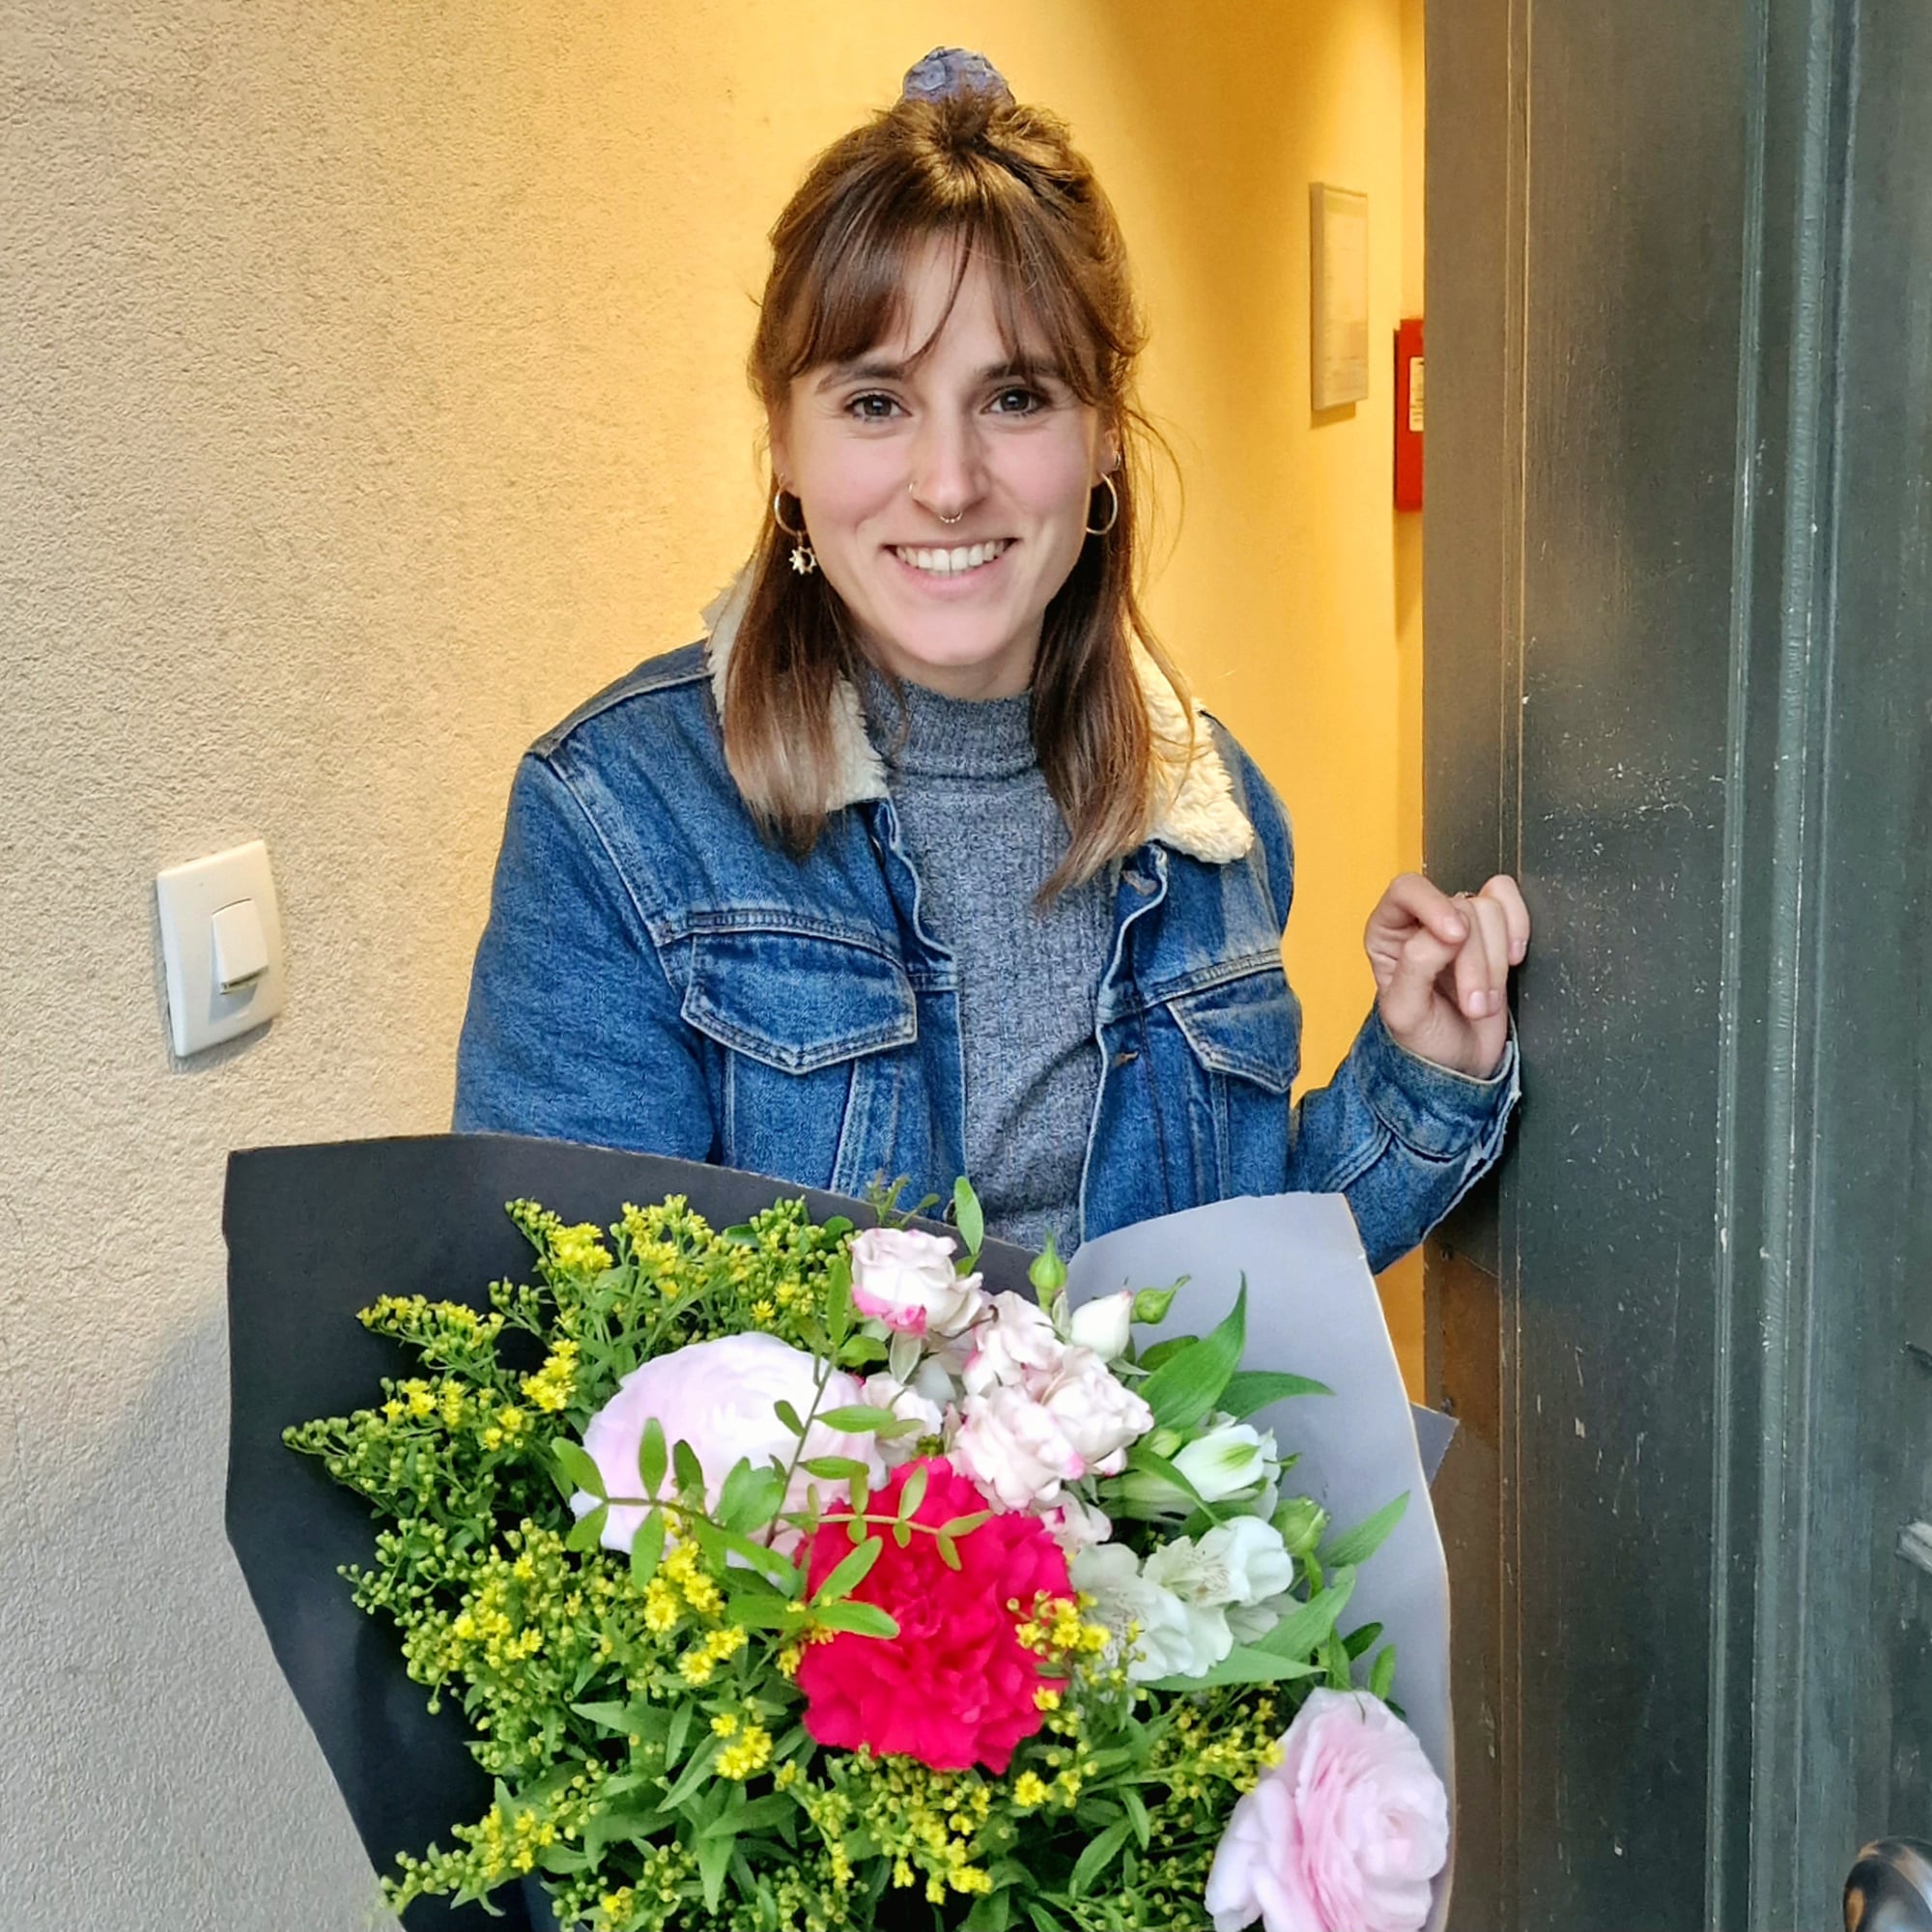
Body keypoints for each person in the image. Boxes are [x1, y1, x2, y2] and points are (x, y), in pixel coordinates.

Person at [453, 48, 1528, 1270]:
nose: (950, 483)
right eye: (875, 402)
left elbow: (1236, 1305)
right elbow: (561, 1347)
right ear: (784, 446)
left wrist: (1423, 1072)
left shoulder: (1209, 816)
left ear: (1105, 433)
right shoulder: (617, 819)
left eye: (1013, 396)